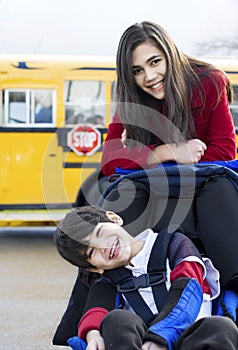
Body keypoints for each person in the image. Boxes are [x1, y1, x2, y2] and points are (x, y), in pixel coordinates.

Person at [54, 205, 238, 350]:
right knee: (117, 320)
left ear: (114, 219)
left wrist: (160, 338)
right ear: (94, 268)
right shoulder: (110, 279)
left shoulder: (174, 244)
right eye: (92, 251)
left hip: (191, 336)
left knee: (220, 326)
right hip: (141, 343)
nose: (104, 247)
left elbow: (188, 290)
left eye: (100, 234)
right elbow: (96, 309)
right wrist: (92, 332)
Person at [101, 21, 236, 176]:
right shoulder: (132, 97)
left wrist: (172, 166)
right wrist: (167, 152)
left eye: (155, 62)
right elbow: (108, 162)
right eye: (138, 71)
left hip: (205, 183)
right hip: (154, 186)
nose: (150, 77)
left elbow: (224, 152)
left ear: (170, 56)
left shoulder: (209, 82)